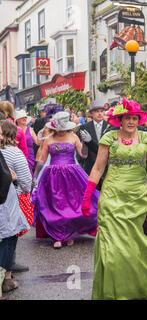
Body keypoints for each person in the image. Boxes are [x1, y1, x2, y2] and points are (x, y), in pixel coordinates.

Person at [82, 97, 147, 300]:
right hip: (113, 198)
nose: (131, 122)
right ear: (120, 120)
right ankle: (116, 291)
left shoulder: (146, 137)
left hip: (141, 197)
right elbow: (98, 168)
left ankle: (141, 289)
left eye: (134, 118)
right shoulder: (109, 138)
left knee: (141, 247)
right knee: (114, 251)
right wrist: (87, 196)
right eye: (127, 118)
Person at [31, 112, 98, 249]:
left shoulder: (73, 136)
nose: (60, 131)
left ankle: (70, 234)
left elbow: (83, 155)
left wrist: (86, 142)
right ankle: (58, 236)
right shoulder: (48, 139)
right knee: (56, 205)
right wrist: (36, 176)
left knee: (72, 204)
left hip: (72, 175)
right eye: (58, 128)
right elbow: (42, 158)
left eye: (62, 128)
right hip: (53, 176)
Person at [0, 123, 30, 295]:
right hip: (6, 204)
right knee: (8, 239)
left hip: (7, 202)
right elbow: (22, 180)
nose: (1, 137)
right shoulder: (15, 153)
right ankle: (5, 279)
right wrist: (16, 183)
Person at [77, 101, 108, 189]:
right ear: (91, 113)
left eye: (101, 111)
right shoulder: (84, 127)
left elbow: (104, 149)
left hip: (107, 167)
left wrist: (90, 141)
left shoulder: (109, 126)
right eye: (97, 111)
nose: (100, 114)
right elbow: (82, 148)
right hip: (91, 166)